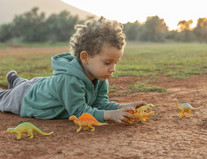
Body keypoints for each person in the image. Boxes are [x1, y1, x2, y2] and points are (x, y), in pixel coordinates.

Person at [0, 17, 146, 124]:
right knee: (5, 97)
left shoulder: (100, 77)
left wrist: (122, 107)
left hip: (43, 86)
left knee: (26, 84)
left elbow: (100, 104)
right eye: (108, 62)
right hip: (26, 99)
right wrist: (110, 115)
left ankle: (15, 80)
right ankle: (16, 84)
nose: (112, 69)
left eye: (116, 63)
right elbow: (79, 112)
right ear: (85, 58)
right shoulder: (70, 80)